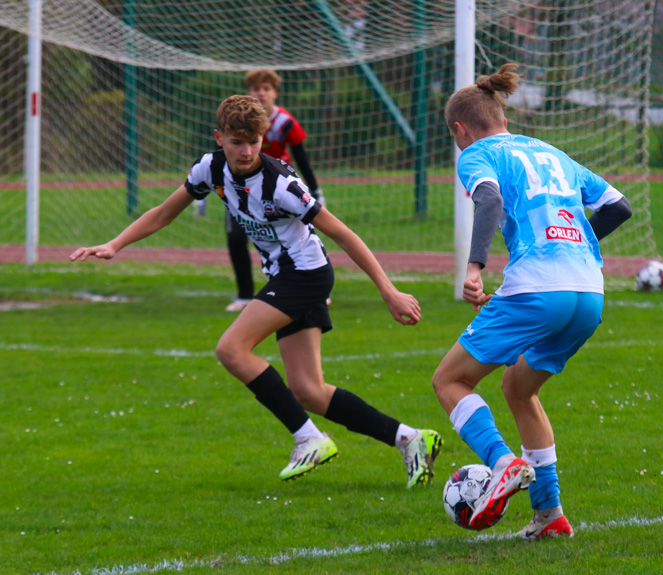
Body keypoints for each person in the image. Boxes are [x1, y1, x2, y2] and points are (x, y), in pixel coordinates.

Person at [71, 95, 442, 488]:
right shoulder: (209, 168)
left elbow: (344, 234)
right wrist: (115, 244)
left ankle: (309, 438)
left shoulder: (281, 184)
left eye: (254, 141)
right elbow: (164, 212)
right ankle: (411, 439)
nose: (246, 151)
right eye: (236, 142)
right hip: (286, 277)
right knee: (309, 391)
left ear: (264, 138)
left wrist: (388, 291)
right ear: (220, 138)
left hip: (304, 276)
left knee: (231, 349)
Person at [431, 63, 632, 539]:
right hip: (589, 294)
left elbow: (489, 201)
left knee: (450, 381)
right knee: (519, 389)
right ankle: (550, 516)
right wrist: (580, 245)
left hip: (539, 288)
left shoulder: (478, 153)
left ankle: (503, 464)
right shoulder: (552, 152)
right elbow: (618, 206)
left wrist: (475, 265)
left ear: (461, 129)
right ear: (500, 114)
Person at [222, 69, 325, 312]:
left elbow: (302, 159)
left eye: (266, 88)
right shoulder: (235, 124)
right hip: (242, 189)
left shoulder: (285, 123)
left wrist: (316, 191)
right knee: (236, 238)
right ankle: (244, 295)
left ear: (275, 93)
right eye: (256, 88)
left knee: (295, 237)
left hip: (279, 192)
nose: (261, 93)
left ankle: (314, 286)